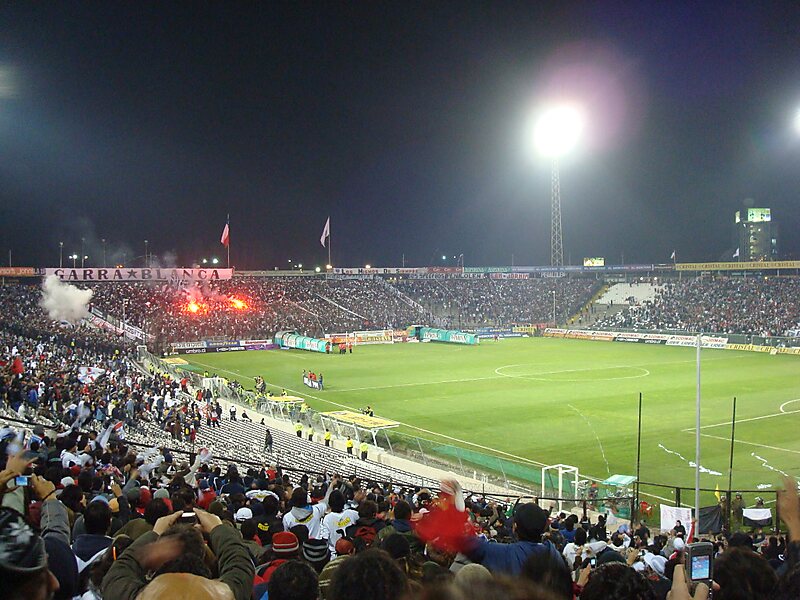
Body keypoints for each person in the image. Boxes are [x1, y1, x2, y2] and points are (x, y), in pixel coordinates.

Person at [101, 508, 254, 600]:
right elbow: (239, 563)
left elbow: (121, 568)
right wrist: (218, 529)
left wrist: (155, 533)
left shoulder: (136, 595)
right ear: (202, 556)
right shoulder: (225, 594)